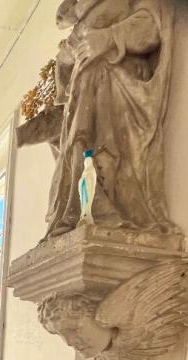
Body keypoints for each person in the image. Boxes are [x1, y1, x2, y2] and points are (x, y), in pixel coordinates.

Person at [46, 0, 176, 238]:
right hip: (84, 94)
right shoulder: (82, 20)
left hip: (117, 83)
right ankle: (78, 206)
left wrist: (108, 37)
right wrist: (70, 54)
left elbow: (152, 26)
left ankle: (102, 205)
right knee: (77, 139)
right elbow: (64, 62)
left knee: (97, 140)